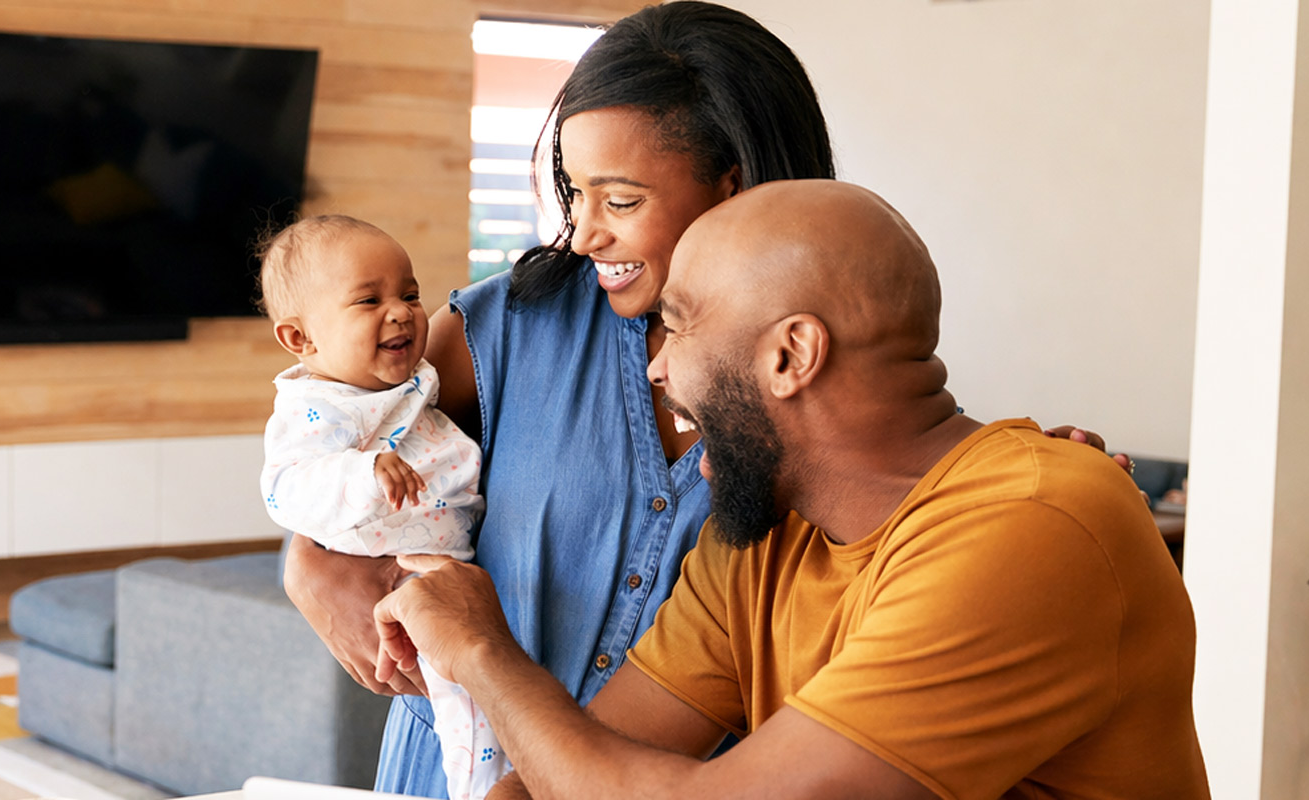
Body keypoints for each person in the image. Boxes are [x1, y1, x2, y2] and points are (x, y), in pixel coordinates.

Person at [279, 4, 1129, 796]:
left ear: (731, 183)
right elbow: (329, 430)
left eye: (622, 199)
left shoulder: (817, 415)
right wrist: (310, 561)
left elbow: (900, 481)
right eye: (575, 195)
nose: (581, 233)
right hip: (478, 764)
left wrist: (1020, 493)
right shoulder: (511, 326)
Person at [373, 180, 1211, 800]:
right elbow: (569, 775)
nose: (657, 366)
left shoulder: (1034, 524)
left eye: (682, 322)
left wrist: (481, 650)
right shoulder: (763, 538)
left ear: (791, 355)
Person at [254, 215, 504, 799]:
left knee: (483, 699)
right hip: (405, 584)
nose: (401, 311)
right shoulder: (316, 408)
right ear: (301, 339)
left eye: (410, 294)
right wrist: (362, 472)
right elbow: (284, 489)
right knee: (468, 710)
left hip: (451, 569)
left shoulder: (408, 384)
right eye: (369, 300)